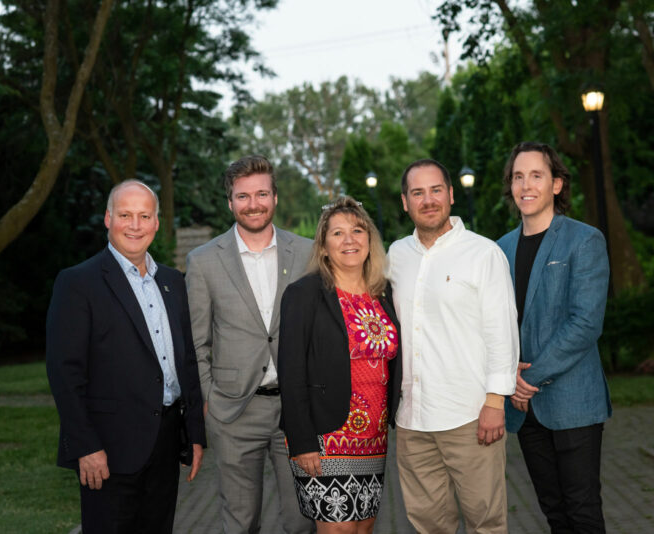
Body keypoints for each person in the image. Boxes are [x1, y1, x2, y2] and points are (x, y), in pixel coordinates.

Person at [46, 180, 206, 534]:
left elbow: (187, 362)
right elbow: (64, 373)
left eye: (144, 216)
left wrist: (194, 433)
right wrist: (85, 446)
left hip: (165, 442)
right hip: (107, 448)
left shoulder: (172, 282)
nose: (135, 225)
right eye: (125, 215)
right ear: (107, 218)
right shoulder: (78, 283)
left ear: (156, 223)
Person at [387, 158, 519, 534]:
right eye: (418, 193)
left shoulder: (483, 253)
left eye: (435, 190)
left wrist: (496, 402)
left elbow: (502, 332)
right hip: (412, 420)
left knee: (485, 522)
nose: (428, 200)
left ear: (450, 196)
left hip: (470, 416)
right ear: (404, 202)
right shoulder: (395, 256)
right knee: (429, 525)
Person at [185, 155, 314, 534]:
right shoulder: (204, 261)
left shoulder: (307, 253)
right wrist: (209, 398)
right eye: (243, 196)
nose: (253, 204)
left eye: (261, 194)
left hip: (296, 412)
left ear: (275, 197)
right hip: (234, 412)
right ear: (230, 202)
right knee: (241, 523)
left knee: (303, 519)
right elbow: (197, 339)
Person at [496, 141, 611, 533]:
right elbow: (496, 324)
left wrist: (527, 378)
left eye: (536, 175)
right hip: (523, 408)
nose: (525, 185)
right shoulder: (500, 249)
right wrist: (505, 374)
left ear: (557, 184)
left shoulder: (584, 240)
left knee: (582, 511)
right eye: (518, 176)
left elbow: (584, 323)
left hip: (572, 400)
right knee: (553, 512)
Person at [277, 196, 402, 534]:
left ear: (370, 240)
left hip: (374, 438)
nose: (350, 240)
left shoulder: (383, 293)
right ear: (323, 247)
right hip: (326, 436)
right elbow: (290, 373)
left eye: (357, 230)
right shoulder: (304, 294)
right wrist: (301, 441)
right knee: (339, 529)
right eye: (337, 233)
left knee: (363, 527)